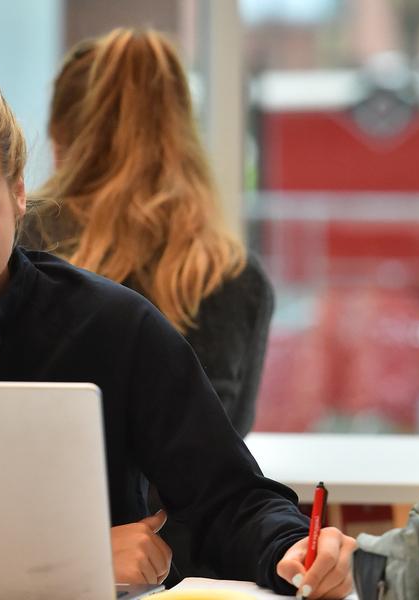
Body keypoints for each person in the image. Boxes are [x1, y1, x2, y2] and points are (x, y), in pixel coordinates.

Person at [0, 28, 354, 598]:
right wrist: (66, 553)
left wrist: (293, 548)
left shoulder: (112, 326)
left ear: (17, 194)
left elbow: (227, 500)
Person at [27, 27, 271, 438]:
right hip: (185, 505)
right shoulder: (236, 278)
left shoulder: (18, 244)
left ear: (60, 141)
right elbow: (229, 458)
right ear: (184, 137)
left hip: (28, 499)